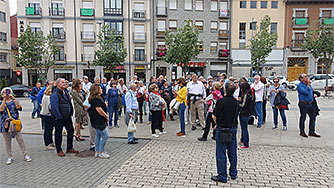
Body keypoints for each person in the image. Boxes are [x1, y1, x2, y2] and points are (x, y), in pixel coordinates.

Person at [211, 82, 238, 183]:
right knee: (232, 152)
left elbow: (214, 116)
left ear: (225, 90)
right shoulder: (236, 102)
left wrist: (217, 123)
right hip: (232, 128)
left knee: (221, 153)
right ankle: (233, 173)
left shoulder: (221, 101)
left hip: (222, 129)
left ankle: (222, 175)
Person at [0, 88, 32, 165]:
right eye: (4, 93)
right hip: (5, 124)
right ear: (2, 94)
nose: (6, 94)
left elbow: (19, 108)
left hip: (15, 123)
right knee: (7, 142)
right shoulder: (1, 102)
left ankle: (25, 155)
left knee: (20, 140)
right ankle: (10, 157)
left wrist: (13, 99)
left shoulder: (14, 101)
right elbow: (1, 109)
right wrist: (4, 100)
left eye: (8, 92)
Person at [50, 78, 79, 157]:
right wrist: (58, 116)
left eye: (65, 82)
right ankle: (59, 149)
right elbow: (54, 106)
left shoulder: (65, 92)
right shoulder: (55, 93)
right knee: (58, 133)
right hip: (59, 117)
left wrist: (70, 112)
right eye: (62, 82)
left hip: (67, 116)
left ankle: (69, 147)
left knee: (71, 131)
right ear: (58, 84)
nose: (64, 83)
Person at [89, 84, 110, 158]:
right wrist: (106, 115)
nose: (101, 90)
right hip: (98, 120)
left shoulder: (97, 98)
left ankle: (97, 151)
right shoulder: (96, 99)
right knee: (105, 135)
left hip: (97, 119)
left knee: (98, 135)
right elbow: (99, 110)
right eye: (100, 88)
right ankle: (101, 151)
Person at [296, 73, 320, 138]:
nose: (307, 78)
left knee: (313, 117)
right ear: (301, 79)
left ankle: (311, 131)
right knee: (303, 117)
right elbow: (306, 92)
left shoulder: (308, 85)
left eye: (307, 76)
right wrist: (308, 86)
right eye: (305, 77)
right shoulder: (300, 86)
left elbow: (310, 92)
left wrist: (314, 95)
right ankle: (302, 131)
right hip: (303, 103)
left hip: (310, 103)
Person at [238, 82, 254, 149]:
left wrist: (238, 102)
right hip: (248, 113)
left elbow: (243, 105)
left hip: (244, 113)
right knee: (244, 128)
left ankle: (246, 144)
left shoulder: (246, 95)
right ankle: (243, 140)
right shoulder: (251, 94)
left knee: (244, 129)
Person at [40, 86, 55, 150]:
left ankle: (50, 142)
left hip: (43, 114)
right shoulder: (49, 97)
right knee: (48, 130)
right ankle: (47, 144)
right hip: (48, 114)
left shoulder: (44, 96)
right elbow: (50, 107)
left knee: (48, 129)